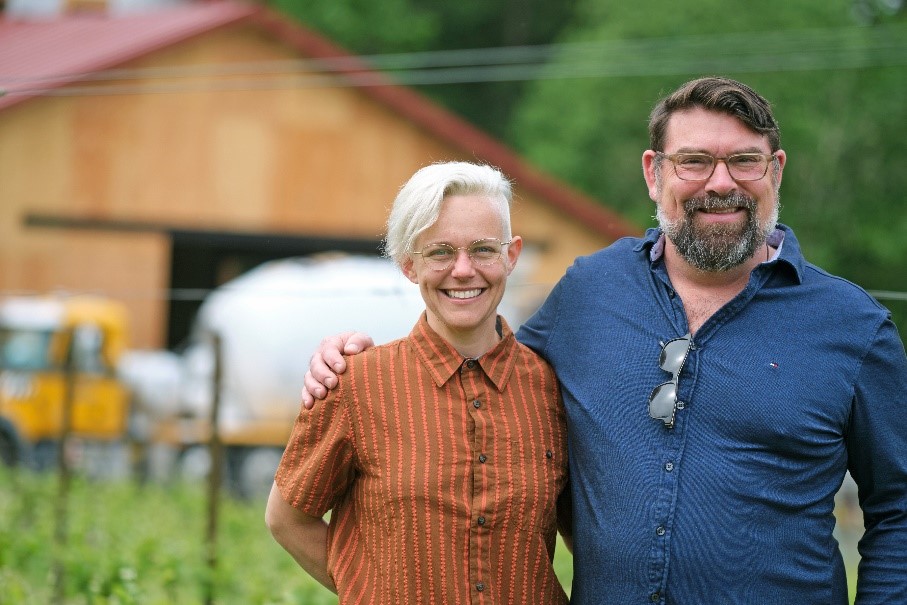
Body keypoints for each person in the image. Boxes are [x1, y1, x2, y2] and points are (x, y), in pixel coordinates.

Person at [299, 77, 907, 604]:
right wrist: (356, 359)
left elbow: (898, 509)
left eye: (744, 161)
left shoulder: (852, 327)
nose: (719, 183)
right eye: (693, 161)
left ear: (774, 171)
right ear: (654, 172)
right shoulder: (591, 291)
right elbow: (477, 358)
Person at [265, 161, 570, 604]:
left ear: (512, 255)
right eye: (441, 252)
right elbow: (287, 518)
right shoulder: (357, 383)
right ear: (410, 264)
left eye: (483, 249)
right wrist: (371, 590)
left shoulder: (551, 387)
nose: (463, 270)